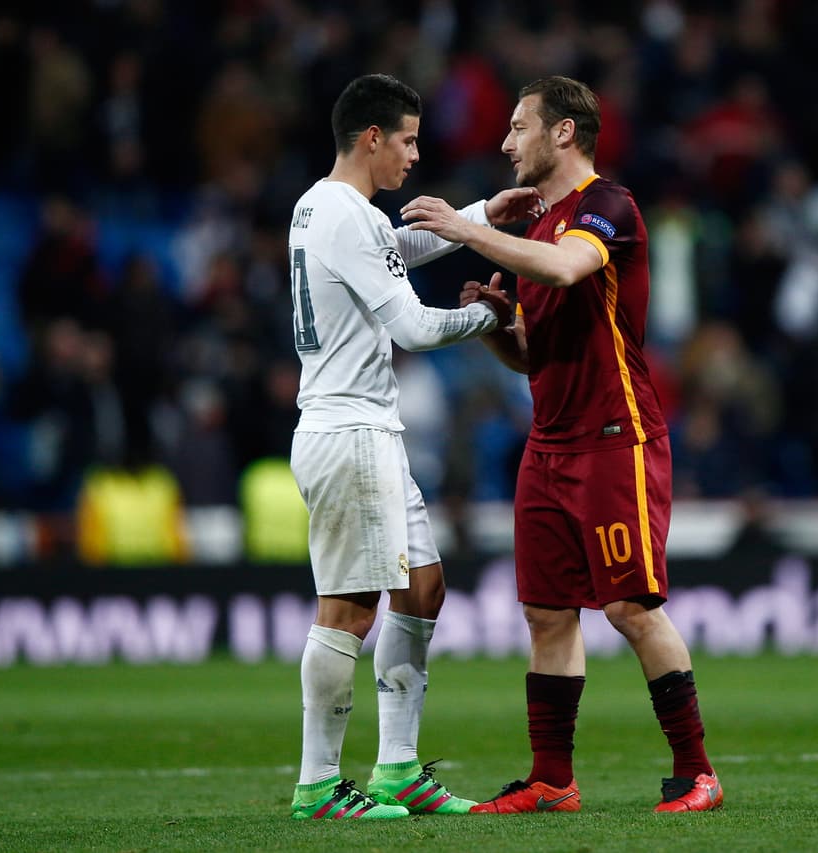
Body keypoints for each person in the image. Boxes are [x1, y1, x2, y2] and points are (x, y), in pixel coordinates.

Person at [400, 76, 722, 815]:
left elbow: (571, 268)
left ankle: (697, 769)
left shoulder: (607, 207)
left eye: (519, 128)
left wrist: (465, 228)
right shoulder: (539, 231)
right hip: (548, 444)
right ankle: (552, 777)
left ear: (564, 133)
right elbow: (533, 353)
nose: (507, 142)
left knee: (631, 606)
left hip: (616, 438)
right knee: (547, 613)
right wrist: (495, 325)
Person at [286, 73, 540, 821]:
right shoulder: (348, 215)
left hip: (366, 432)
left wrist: (479, 215)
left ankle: (397, 768)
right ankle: (318, 784)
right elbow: (414, 327)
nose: (416, 154)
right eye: (408, 139)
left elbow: (389, 252)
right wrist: (489, 320)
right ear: (372, 138)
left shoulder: (321, 206)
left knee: (422, 587)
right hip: (350, 430)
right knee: (349, 609)